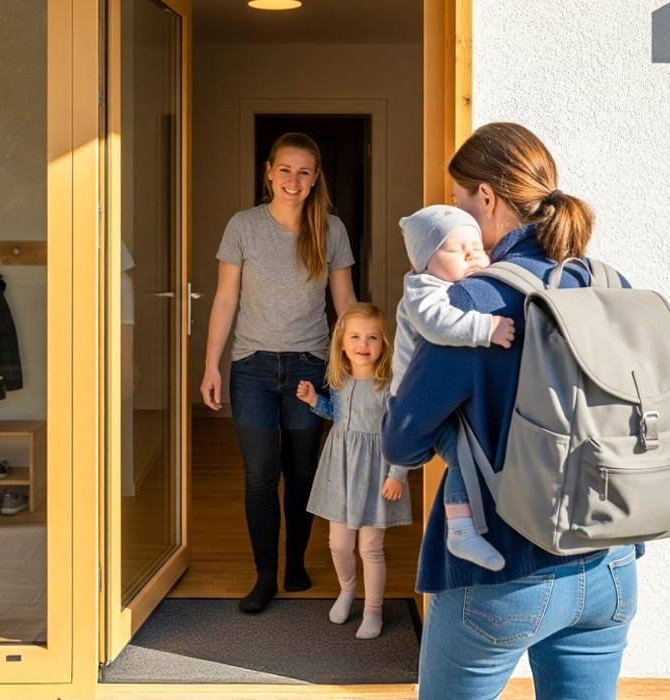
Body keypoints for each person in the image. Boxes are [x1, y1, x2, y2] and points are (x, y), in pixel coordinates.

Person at [385, 122, 639, 700]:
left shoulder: (474, 301)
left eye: (459, 201)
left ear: (487, 198)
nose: (458, 214)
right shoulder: (609, 283)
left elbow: (403, 442)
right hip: (611, 561)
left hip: (503, 569)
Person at [200, 132, 357, 614]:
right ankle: (265, 575)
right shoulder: (243, 226)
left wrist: (357, 365)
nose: (293, 180)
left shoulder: (330, 230)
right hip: (252, 368)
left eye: (304, 172)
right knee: (261, 476)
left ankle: (296, 563)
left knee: (303, 474)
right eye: (284, 170)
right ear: (268, 172)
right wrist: (211, 365)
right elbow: (225, 299)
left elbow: (345, 301)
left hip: (310, 365)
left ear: (315, 178)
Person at [393, 205, 513, 572]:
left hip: (442, 398)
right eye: (456, 250)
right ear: (425, 262)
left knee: (469, 452)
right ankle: (460, 531)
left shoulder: (458, 282)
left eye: (477, 247)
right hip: (412, 397)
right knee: (463, 455)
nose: (472, 256)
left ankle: (466, 524)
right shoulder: (422, 288)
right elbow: (437, 324)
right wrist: (486, 329)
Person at [293, 304, 408, 640]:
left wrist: (397, 474)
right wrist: (315, 401)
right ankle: (347, 589)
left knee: (370, 547)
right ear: (342, 343)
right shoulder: (338, 380)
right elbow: (338, 415)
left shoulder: (389, 386)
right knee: (338, 544)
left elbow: (402, 433)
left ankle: (373, 610)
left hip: (377, 472)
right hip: (340, 472)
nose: (363, 344)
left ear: (384, 344)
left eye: (372, 337)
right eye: (355, 337)